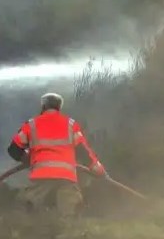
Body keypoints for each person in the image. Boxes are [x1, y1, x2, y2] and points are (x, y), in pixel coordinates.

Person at [7, 93, 107, 221]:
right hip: (66, 176)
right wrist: (97, 168)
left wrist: (28, 160)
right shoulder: (70, 125)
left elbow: (13, 149)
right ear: (59, 107)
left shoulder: (31, 124)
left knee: (26, 210)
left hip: (41, 176)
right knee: (71, 213)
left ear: (43, 106)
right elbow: (83, 151)